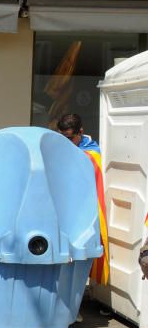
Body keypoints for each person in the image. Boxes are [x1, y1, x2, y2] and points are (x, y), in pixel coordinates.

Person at [57, 113, 109, 284]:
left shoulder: (91, 153)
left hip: (82, 213)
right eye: (61, 137)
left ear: (81, 132)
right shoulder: (62, 148)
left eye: (70, 138)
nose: (65, 143)